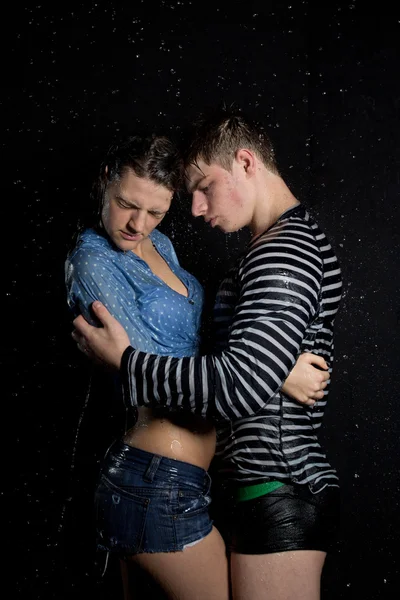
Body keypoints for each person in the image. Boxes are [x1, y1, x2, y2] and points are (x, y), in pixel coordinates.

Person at [66, 132, 326, 600]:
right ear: (106, 181)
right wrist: (270, 372)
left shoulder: (159, 244)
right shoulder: (93, 261)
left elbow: (194, 341)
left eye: (155, 212)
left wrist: (269, 363)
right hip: (154, 480)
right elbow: (147, 369)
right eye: (127, 204)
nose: (137, 225)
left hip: (182, 480)